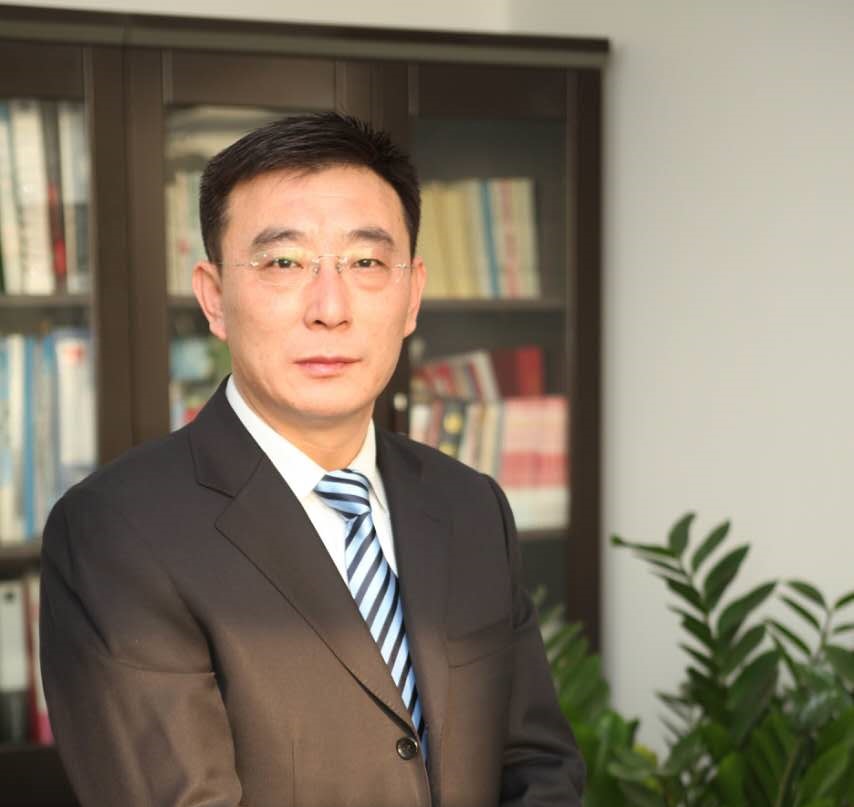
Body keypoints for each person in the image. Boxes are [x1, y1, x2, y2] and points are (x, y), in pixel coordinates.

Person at [40, 113, 585, 807]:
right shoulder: (115, 532)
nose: (330, 308)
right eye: (284, 263)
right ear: (214, 297)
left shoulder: (470, 504)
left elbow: (538, 765)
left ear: (412, 295)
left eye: (366, 263)